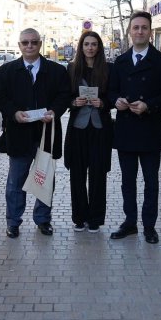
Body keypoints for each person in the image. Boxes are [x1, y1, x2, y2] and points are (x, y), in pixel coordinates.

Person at [0, 28, 70, 238]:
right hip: (19, 134)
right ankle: (13, 222)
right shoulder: (7, 71)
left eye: (34, 42)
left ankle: (43, 220)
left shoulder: (56, 71)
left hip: (47, 133)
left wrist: (54, 111)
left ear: (40, 44)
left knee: (45, 179)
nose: (29, 46)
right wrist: (13, 113)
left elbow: (64, 95)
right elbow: (1, 98)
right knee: (16, 181)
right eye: (25, 42)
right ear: (19, 45)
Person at [108, 11, 161, 244]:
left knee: (151, 182)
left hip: (149, 130)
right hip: (125, 129)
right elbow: (111, 91)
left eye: (144, 27)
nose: (139, 31)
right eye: (135, 27)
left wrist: (149, 105)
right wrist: (116, 101)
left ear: (150, 31)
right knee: (127, 181)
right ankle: (130, 222)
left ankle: (149, 226)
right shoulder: (120, 61)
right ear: (129, 31)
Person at [63, 31, 114, 233]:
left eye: (94, 44)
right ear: (81, 47)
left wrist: (104, 103)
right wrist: (73, 102)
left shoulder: (108, 69)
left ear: (99, 47)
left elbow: (113, 95)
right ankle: (79, 217)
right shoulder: (72, 68)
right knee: (77, 174)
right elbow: (64, 96)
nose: (90, 48)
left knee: (98, 173)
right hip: (78, 129)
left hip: (100, 129)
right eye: (86, 44)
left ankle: (95, 218)